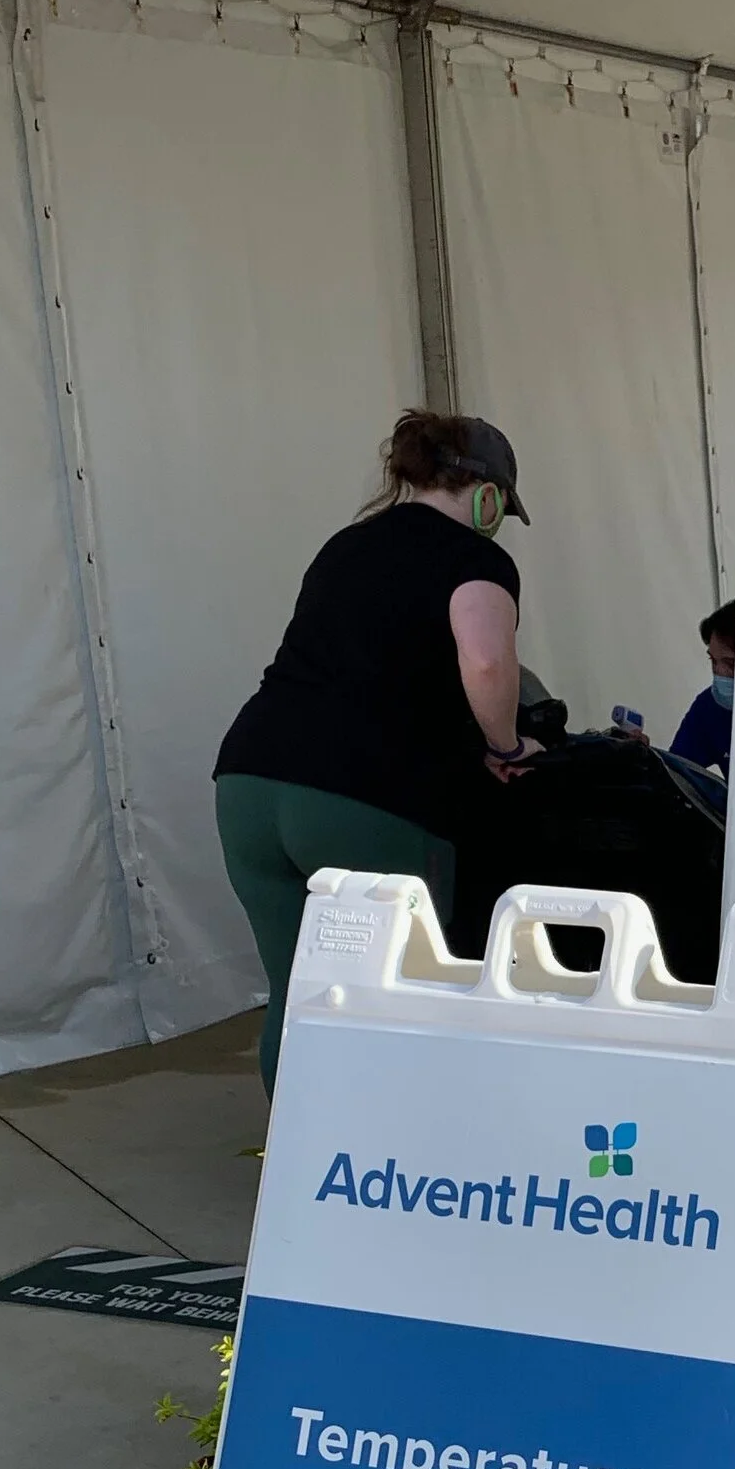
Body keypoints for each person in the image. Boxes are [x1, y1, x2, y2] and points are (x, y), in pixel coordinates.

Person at [214, 409, 539, 1092]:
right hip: (369, 793)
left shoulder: (346, 545)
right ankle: (405, 1149)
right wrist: (507, 744)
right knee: (406, 990)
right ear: (487, 494)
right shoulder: (476, 559)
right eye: (503, 508)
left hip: (250, 780)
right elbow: (486, 662)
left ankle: (299, 1149)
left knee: (297, 993)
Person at [671, 598, 735, 777]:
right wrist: (643, 758)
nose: (719, 672)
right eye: (713, 660)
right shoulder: (709, 708)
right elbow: (677, 772)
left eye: (731, 664)